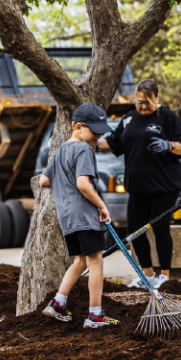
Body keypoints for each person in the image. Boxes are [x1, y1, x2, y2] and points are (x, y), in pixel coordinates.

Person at [98, 79, 181, 289]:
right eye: (139, 102)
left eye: (147, 102)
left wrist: (169, 144)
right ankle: (147, 275)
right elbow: (113, 143)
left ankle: (164, 276)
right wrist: (87, 141)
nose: (143, 106)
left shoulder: (167, 117)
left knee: (160, 228)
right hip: (137, 186)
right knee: (134, 229)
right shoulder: (129, 118)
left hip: (164, 185)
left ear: (157, 99)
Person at [40, 103, 121, 329]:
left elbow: (43, 181)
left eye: (100, 132)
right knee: (95, 261)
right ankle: (95, 314)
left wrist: (61, 182)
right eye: (94, 132)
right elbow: (83, 184)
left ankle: (58, 303)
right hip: (85, 215)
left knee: (80, 261)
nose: (98, 137)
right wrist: (102, 206)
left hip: (67, 217)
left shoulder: (59, 151)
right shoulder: (84, 149)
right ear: (78, 127)